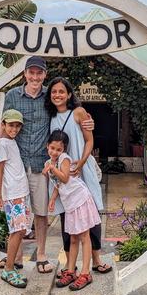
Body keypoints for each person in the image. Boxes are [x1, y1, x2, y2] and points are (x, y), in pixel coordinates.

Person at [0, 56, 94, 273]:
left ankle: (41, 255)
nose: (35, 77)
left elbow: (69, 109)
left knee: (40, 212)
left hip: (41, 164)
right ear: (25, 74)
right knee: (18, 212)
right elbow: (4, 127)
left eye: (39, 73)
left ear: (44, 75)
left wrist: (88, 119)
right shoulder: (12, 95)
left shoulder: (49, 96)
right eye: (32, 73)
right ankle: (16, 257)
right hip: (16, 165)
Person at [44, 76, 112, 276]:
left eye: (61, 91)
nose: (57, 95)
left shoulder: (79, 112)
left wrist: (81, 164)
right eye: (54, 92)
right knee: (67, 217)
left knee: (91, 216)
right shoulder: (49, 116)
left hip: (81, 171)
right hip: (61, 175)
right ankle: (68, 264)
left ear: (69, 94)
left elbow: (89, 141)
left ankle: (97, 259)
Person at [43, 130, 101, 290]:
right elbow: (58, 184)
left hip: (80, 199)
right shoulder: (49, 162)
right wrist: (53, 199)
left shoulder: (64, 159)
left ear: (64, 150)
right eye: (52, 148)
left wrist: (51, 169)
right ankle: (70, 271)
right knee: (73, 238)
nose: (55, 152)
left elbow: (65, 177)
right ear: (47, 146)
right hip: (69, 204)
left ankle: (85, 273)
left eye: (58, 149)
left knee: (84, 236)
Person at [0, 109, 33, 288]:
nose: (14, 129)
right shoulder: (2, 143)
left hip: (21, 193)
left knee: (20, 231)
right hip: (13, 195)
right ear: (3, 124)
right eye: (10, 125)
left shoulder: (12, 142)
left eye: (17, 126)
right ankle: (8, 269)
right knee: (17, 231)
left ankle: (10, 260)